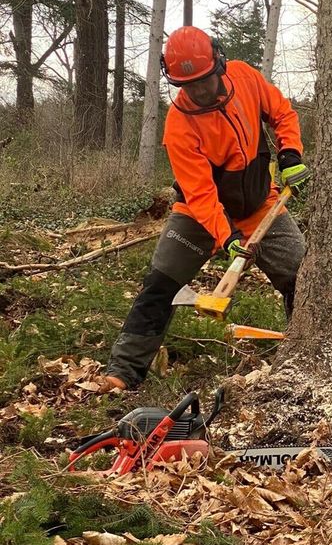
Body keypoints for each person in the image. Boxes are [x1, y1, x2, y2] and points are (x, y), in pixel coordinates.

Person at [95, 25, 309, 393]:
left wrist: (290, 151)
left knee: (302, 276)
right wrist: (227, 238)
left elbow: (283, 113)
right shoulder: (179, 124)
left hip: (260, 203)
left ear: (219, 64)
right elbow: (200, 193)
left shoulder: (246, 77)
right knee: (160, 284)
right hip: (199, 213)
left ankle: (307, 352)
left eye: (204, 81)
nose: (198, 90)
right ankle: (124, 370)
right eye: (188, 85)